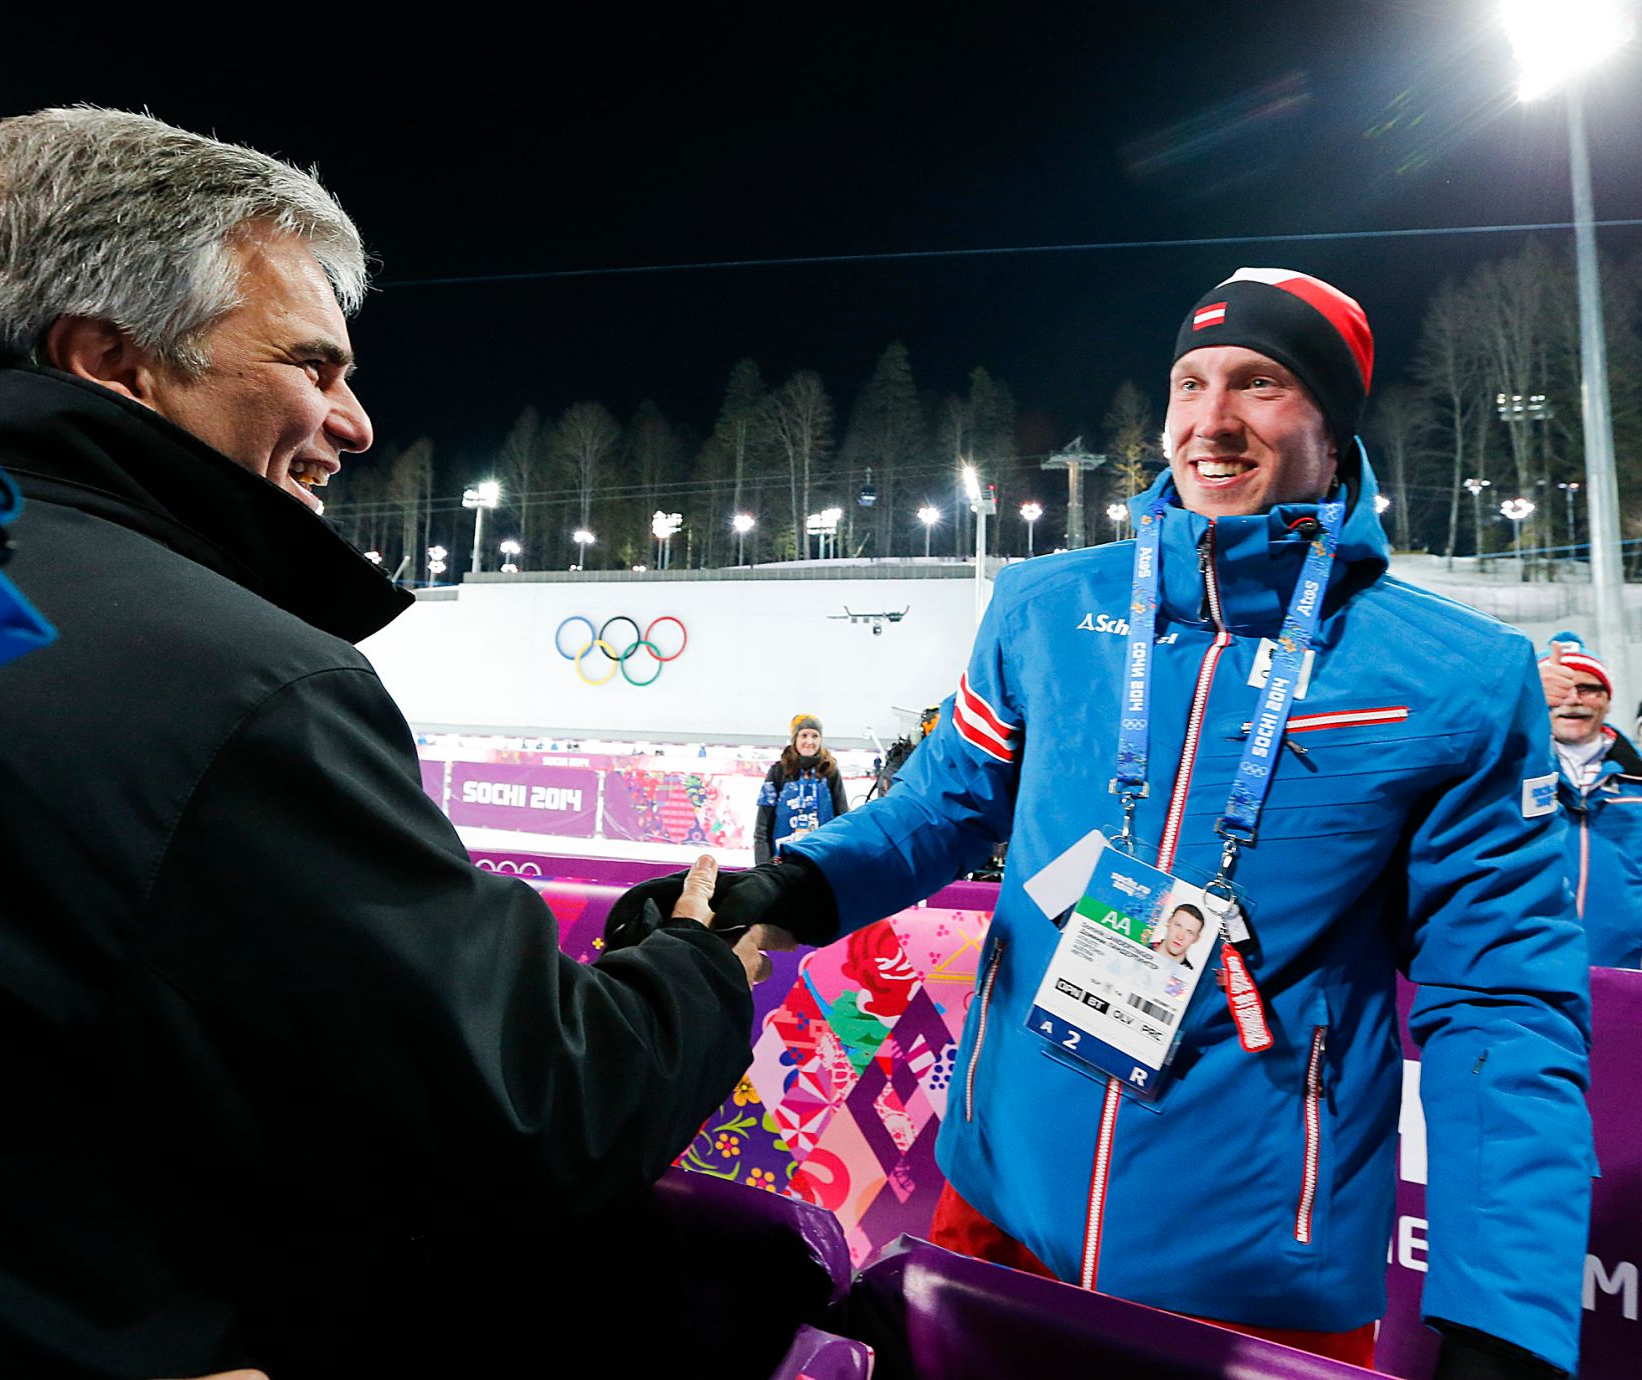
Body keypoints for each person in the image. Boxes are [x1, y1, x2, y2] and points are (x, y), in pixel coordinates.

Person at [0, 108, 768, 1379]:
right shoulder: (242, 684)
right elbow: (540, 1111)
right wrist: (701, 967)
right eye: (313, 364)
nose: (352, 423)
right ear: (109, 361)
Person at [668, 268, 1592, 1377]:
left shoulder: (1457, 679)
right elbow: (947, 804)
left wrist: (1503, 1321)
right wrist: (794, 886)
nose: (1210, 420)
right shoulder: (1044, 608)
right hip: (997, 1208)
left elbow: (1500, 1002)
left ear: (1331, 419)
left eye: (1259, 384)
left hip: (1254, 1275)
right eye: (1188, 383)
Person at [1537, 633, 1642, 967]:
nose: (1573, 699)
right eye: (1559, 689)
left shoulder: (1636, 777)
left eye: (1588, 688)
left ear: (1608, 701)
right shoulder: (1504, 772)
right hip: (1529, 967)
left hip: (1625, 969)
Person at [753, 712, 848, 865]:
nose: (809, 741)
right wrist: (763, 866)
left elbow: (842, 818)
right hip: (781, 863)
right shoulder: (777, 772)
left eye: (815, 736)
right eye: (804, 735)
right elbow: (762, 827)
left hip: (821, 861)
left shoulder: (830, 771)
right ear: (795, 739)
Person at [1149, 903, 1202, 972]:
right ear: (1168, 922)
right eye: (1178, 925)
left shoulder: (1191, 976)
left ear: (1196, 939)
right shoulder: (1141, 947)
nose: (1180, 937)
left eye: (1190, 932)